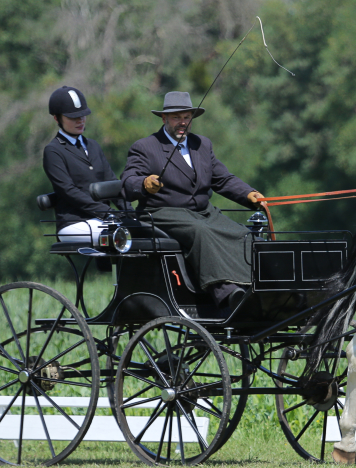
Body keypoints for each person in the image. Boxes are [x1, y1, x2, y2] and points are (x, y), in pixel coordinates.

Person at [121, 91, 265, 308]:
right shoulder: (146, 147)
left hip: (203, 213)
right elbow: (128, 180)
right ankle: (226, 293)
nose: (183, 123)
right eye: (177, 117)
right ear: (164, 118)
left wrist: (248, 194)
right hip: (164, 213)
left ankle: (255, 286)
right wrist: (144, 184)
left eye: (187, 117)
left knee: (243, 234)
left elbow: (223, 179)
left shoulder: (202, 145)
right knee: (201, 232)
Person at [43, 86, 120, 246]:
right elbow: (68, 191)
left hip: (104, 220)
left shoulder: (93, 146)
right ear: (57, 119)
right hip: (74, 223)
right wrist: (105, 212)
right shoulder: (53, 151)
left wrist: (131, 214)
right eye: (73, 117)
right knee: (119, 236)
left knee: (143, 232)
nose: (80, 121)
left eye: (83, 115)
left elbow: (112, 184)